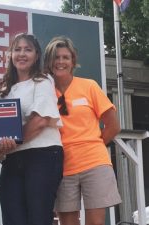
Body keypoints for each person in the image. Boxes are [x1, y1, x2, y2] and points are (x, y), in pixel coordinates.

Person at [43, 36, 122, 225]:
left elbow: (113, 126)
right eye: (56, 57)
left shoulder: (89, 86)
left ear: (73, 61)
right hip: (61, 166)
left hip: (94, 163)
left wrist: (93, 145)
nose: (60, 62)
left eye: (65, 57)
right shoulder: (44, 91)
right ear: (49, 61)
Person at [0, 33, 64, 225]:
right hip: (13, 160)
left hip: (43, 156)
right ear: (10, 55)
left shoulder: (43, 80)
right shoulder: (4, 90)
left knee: (38, 218)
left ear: (36, 55)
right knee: (12, 218)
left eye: (28, 49)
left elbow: (40, 121)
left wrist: (4, 147)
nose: (22, 54)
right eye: (17, 49)